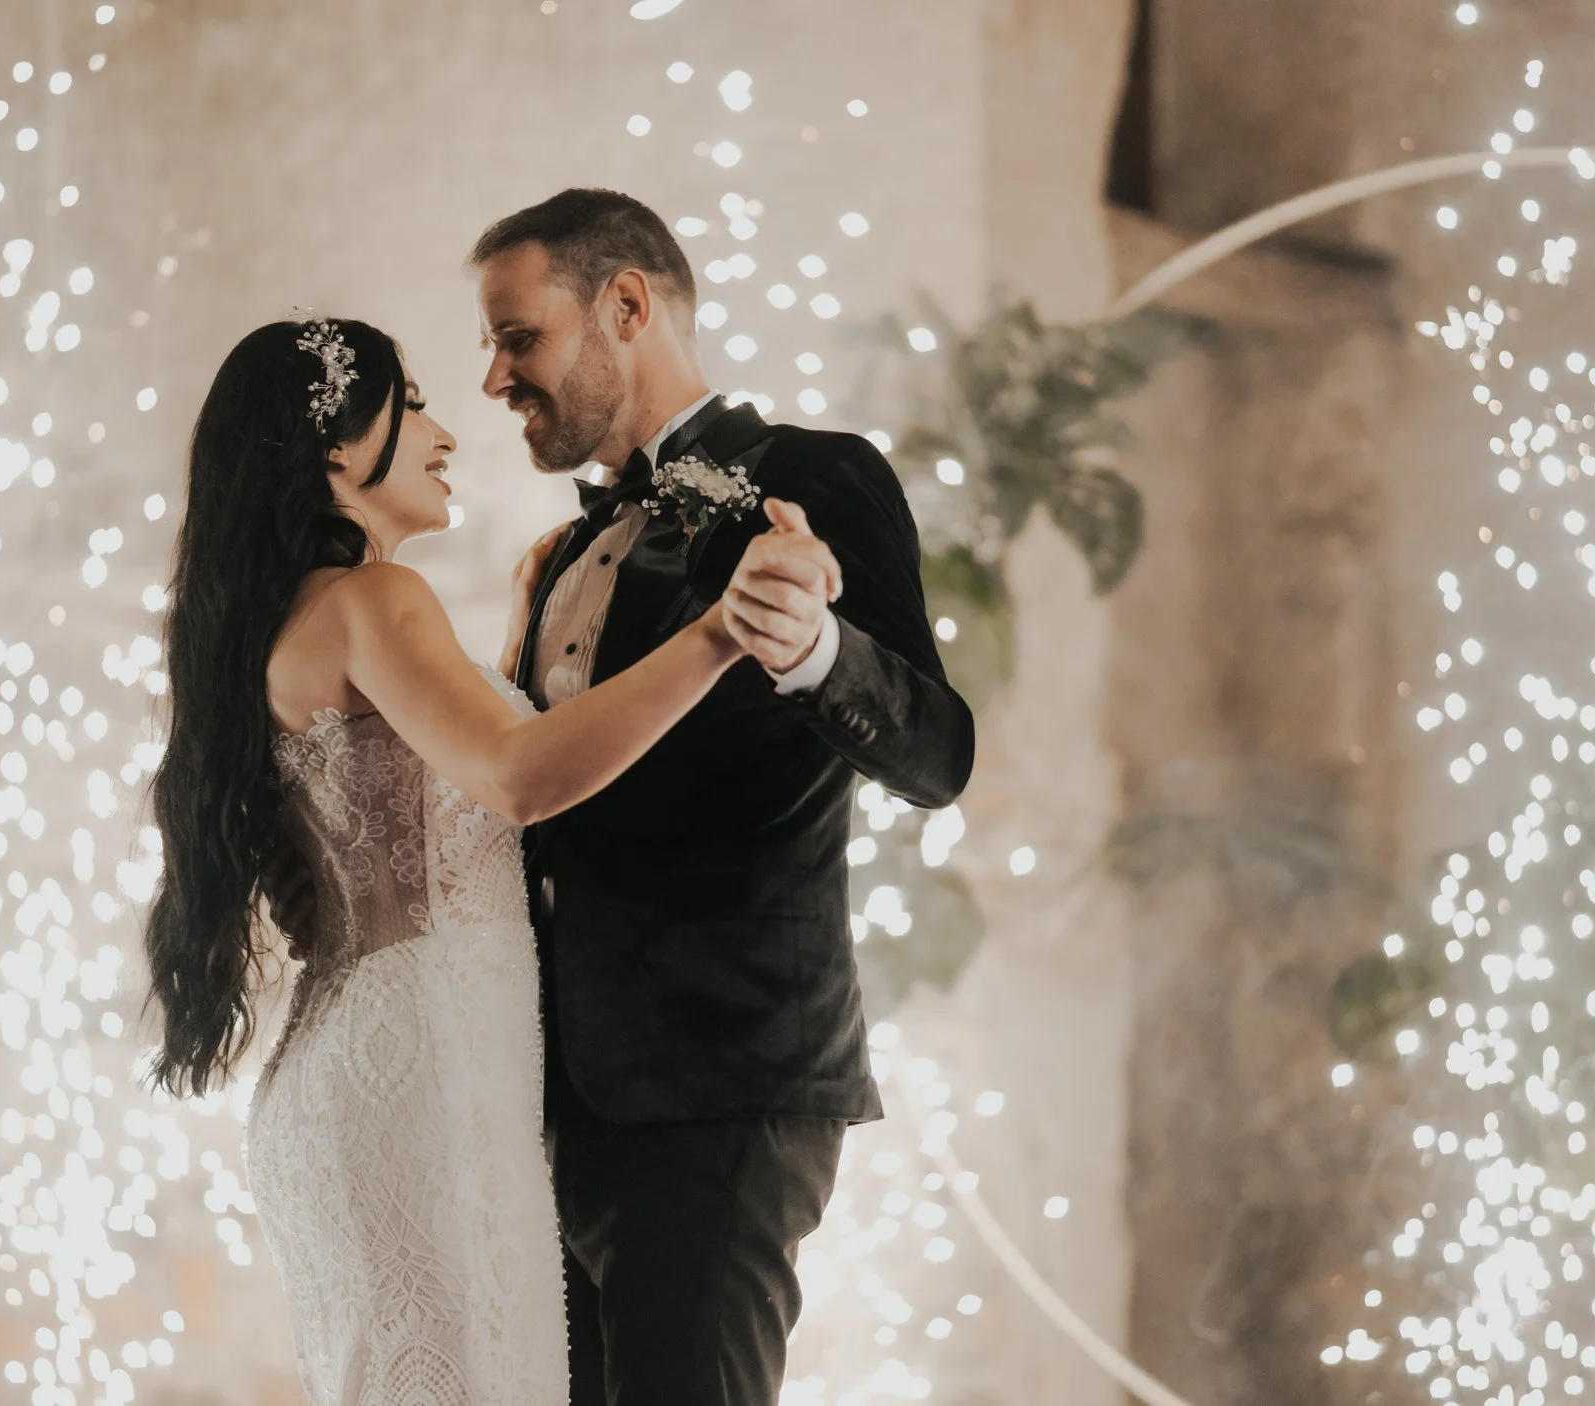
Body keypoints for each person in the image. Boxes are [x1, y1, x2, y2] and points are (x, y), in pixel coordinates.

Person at [137, 316, 842, 1405]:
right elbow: (517, 777)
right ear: (335, 449)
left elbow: (417, 801)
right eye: (409, 403)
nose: (443, 430)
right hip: (425, 1066)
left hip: (363, 1058)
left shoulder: (283, 621)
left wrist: (517, 648)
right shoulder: (375, 598)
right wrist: (720, 631)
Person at [474, 188, 975, 1405]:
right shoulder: (561, 554)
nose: (494, 378)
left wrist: (811, 649)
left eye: (517, 335)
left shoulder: (814, 474)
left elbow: (937, 754)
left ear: (626, 306)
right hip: (563, 1088)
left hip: (720, 1083)